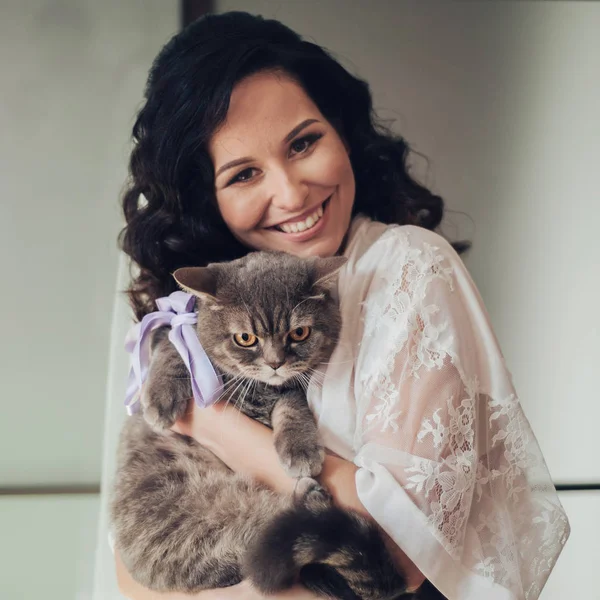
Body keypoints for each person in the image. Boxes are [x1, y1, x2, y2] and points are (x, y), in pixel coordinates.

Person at [114, 11, 569, 600]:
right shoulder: (219, 303)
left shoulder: (406, 265)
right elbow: (133, 559)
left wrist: (208, 419)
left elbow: (400, 550)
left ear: (343, 132)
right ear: (212, 202)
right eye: (245, 173)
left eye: (303, 142)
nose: (290, 191)